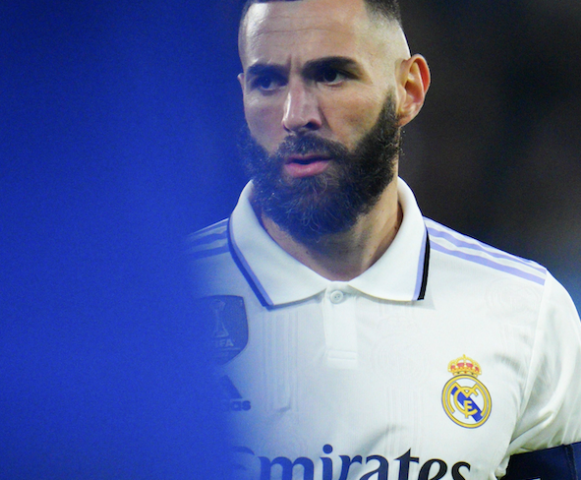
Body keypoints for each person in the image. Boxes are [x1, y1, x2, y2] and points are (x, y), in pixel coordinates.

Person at [186, 0, 581, 478]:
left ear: (408, 90)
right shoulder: (152, 302)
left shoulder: (529, 312)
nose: (295, 114)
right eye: (267, 81)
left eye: (331, 75)